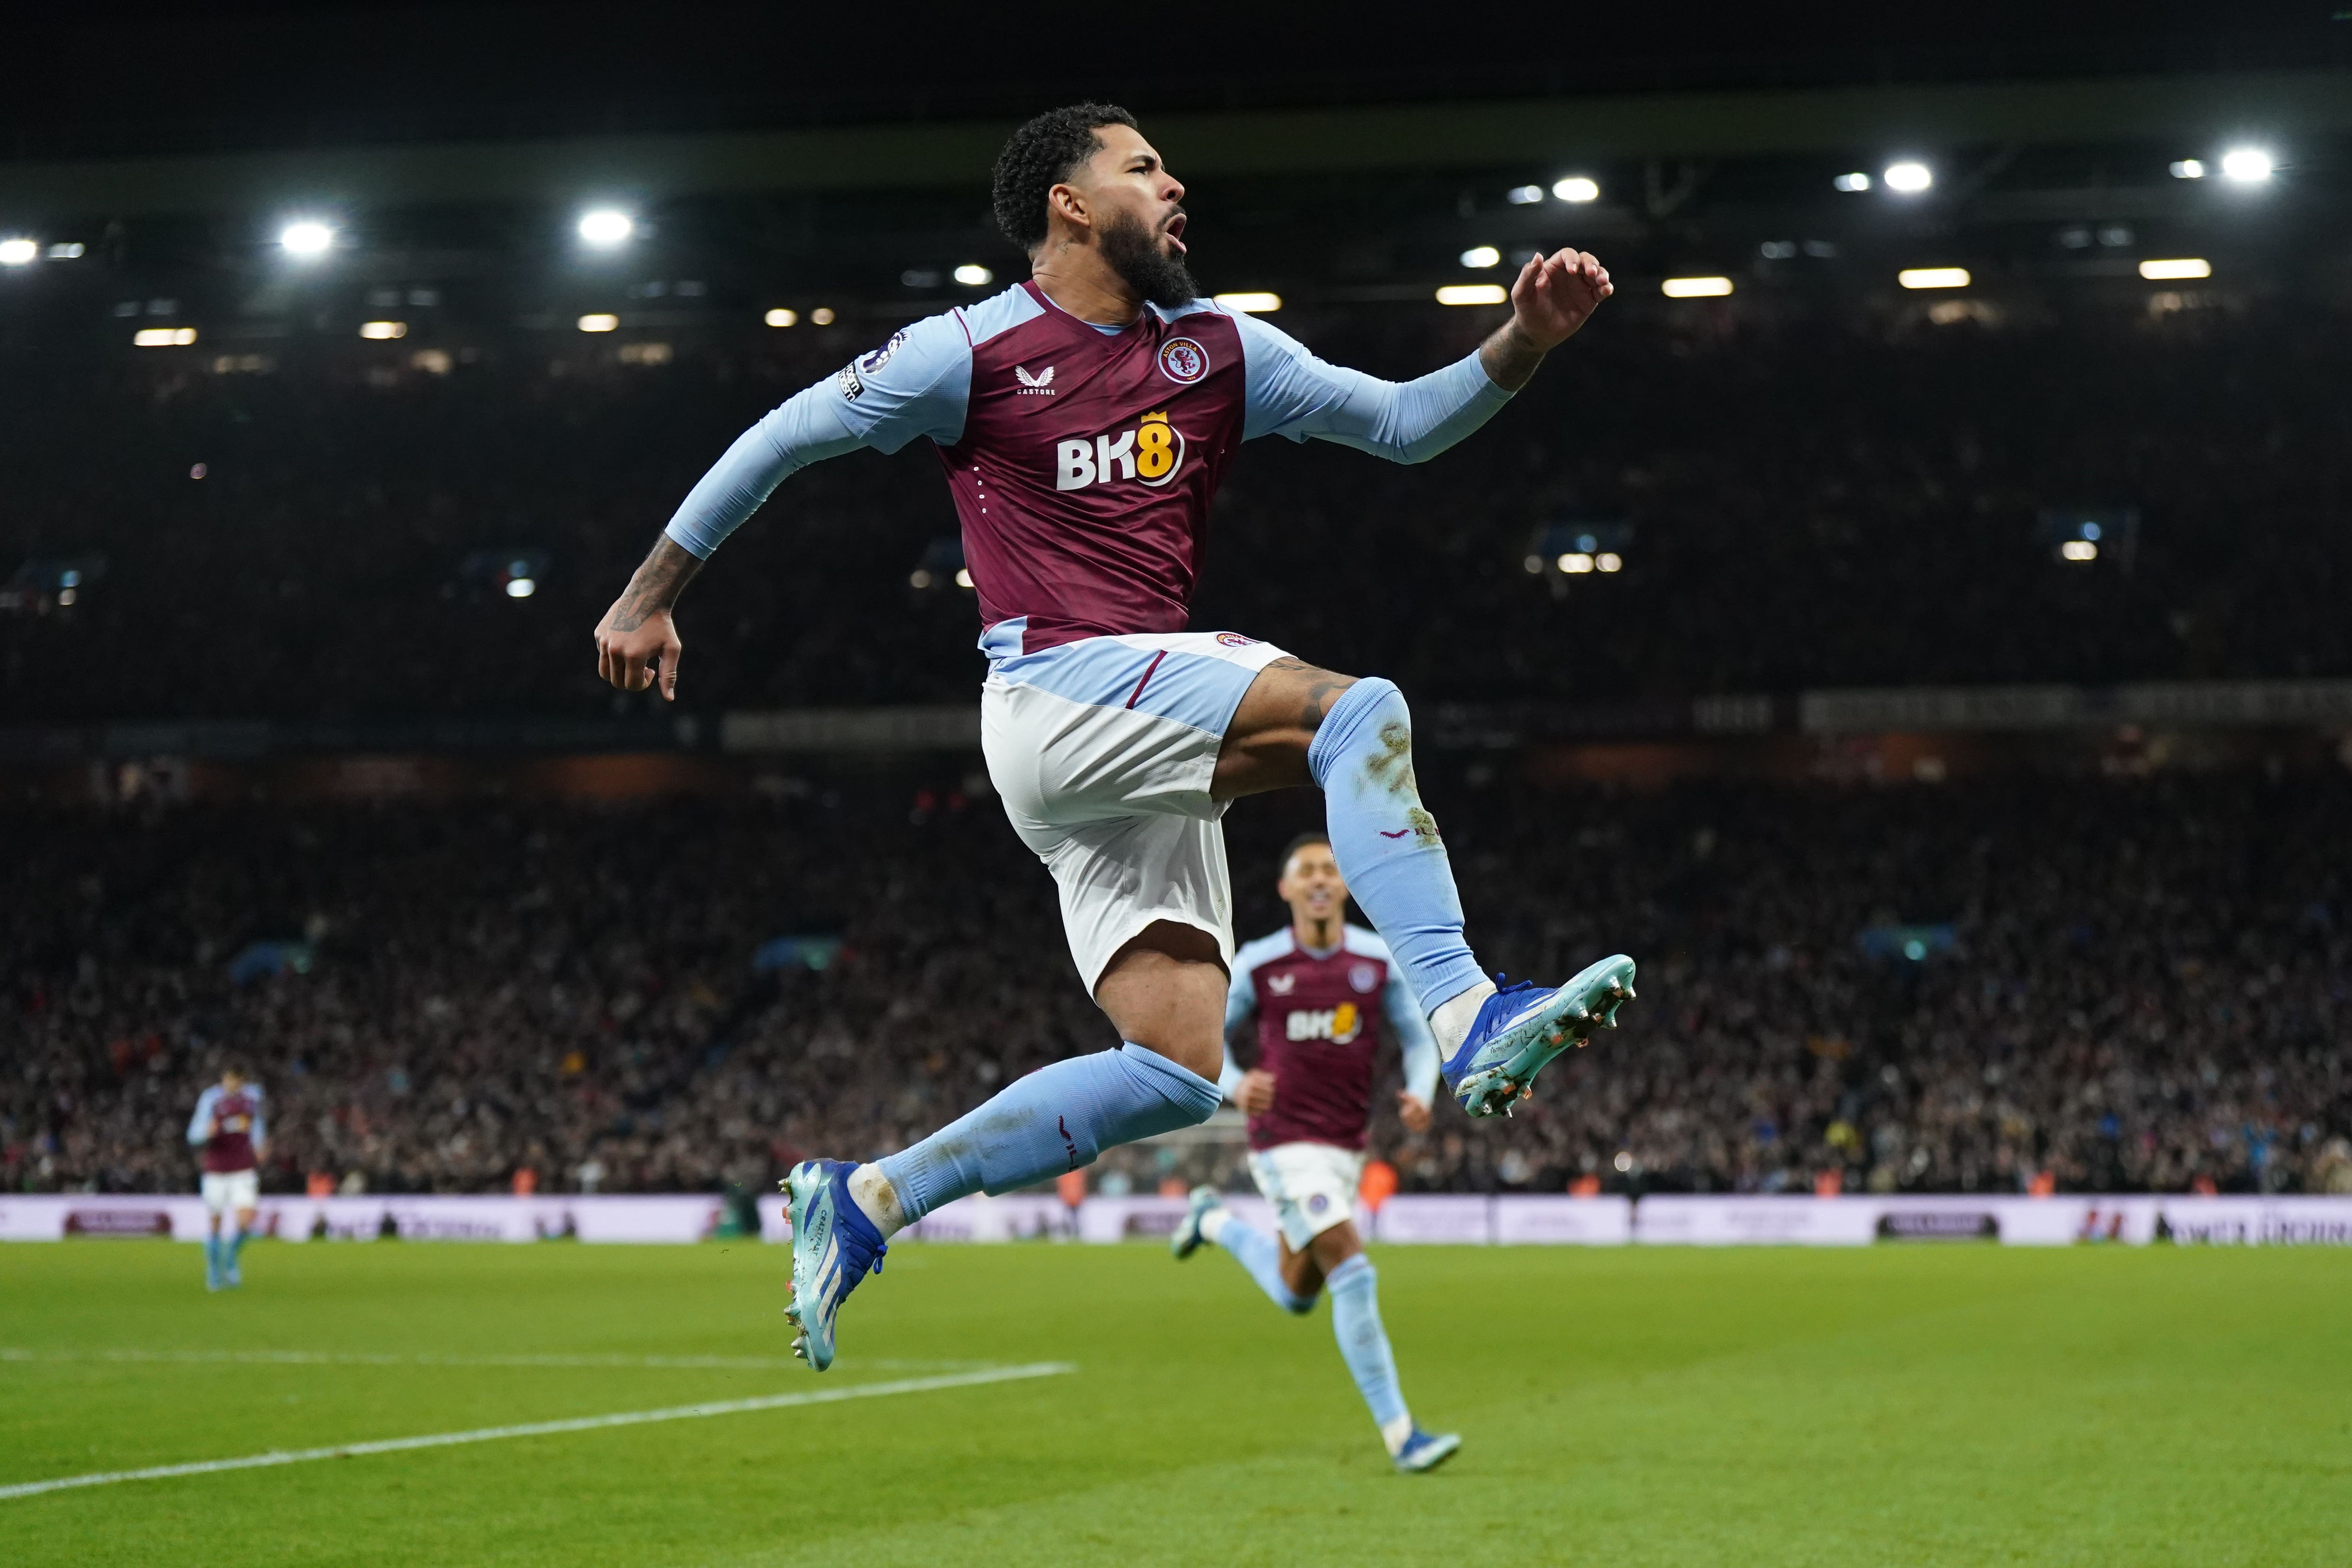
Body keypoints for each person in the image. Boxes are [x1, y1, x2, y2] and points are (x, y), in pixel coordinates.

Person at [593, 102, 1637, 1372]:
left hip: (1121, 738)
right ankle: (1469, 1008)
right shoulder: (966, 352)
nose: (1175, 183)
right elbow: (781, 442)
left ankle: (868, 1199)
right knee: (1357, 710)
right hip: (1056, 685)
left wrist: (1523, 339)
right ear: (1070, 204)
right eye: (1144, 167)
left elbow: (1410, 427)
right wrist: (649, 594)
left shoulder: (1220, 349)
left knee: (1180, 1069)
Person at [1170, 832, 1457, 1472]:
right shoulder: (1260, 963)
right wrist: (1234, 1083)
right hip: (1282, 1143)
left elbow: (1416, 1037)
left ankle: (1211, 1220)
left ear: (1347, 883)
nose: (1321, 879)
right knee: (1353, 1268)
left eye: (1331, 868)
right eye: (1307, 871)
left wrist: (1418, 1091)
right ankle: (1401, 1434)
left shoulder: (1376, 961)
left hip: (1344, 1147)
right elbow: (1200, 1039)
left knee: (1298, 1291)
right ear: (1287, 888)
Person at [188, 1065, 266, 1291]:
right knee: (215, 1224)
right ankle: (213, 1270)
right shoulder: (211, 1099)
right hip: (217, 1170)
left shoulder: (253, 1097)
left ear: (242, 1082)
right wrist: (206, 1133)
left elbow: (257, 1123)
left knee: (246, 1221)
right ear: (223, 1080)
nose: (231, 1085)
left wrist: (260, 1144)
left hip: (243, 1168)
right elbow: (194, 1135)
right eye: (228, 1080)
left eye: (236, 1081)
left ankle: (230, 1257)